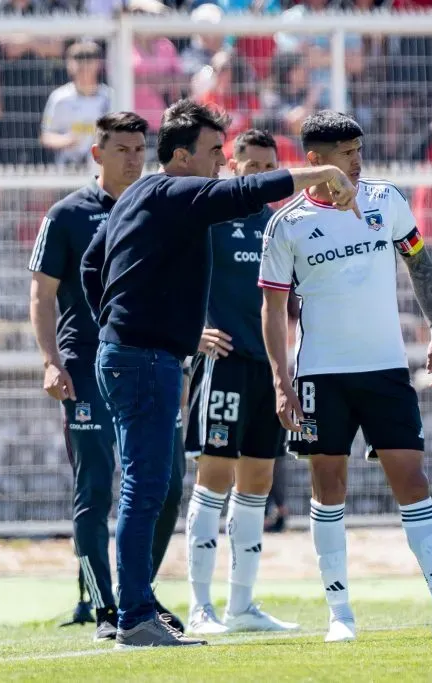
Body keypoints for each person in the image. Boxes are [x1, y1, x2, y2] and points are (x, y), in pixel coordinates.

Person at [79, 99, 359, 649]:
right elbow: (246, 192)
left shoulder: (138, 195)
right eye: (213, 151)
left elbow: (92, 261)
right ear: (181, 156)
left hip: (132, 355)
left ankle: (136, 603)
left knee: (150, 485)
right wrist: (319, 172)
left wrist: (112, 322)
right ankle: (133, 612)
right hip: (145, 359)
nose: (220, 162)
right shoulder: (176, 190)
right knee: (146, 487)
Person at [259, 110, 432, 643]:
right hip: (322, 375)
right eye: (346, 154)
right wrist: (280, 376)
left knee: (412, 481)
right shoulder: (287, 222)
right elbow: (272, 308)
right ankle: (340, 616)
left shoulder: (387, 200)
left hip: (387, 371)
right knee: (328, 487)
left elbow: (419, 263)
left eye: (359, 150)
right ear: (315, 161)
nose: (357, 161)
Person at [28, 112, 186, 641]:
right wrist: (51, 361)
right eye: (122, 149)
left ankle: (138, 591)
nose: (134, 158)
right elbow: (42, 295)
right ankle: (103, 609)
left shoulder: (155, 208)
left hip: (149, 363)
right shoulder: (67, 214)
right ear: (97, 154)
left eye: (141, 148)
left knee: (165, 486)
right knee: (96, 489)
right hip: (85, 367)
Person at [182, 129, 300, 635]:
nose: (259, 174)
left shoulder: (280, 225)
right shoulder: (209, 217)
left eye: (268, 166)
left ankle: (242, 606)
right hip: (223, 365)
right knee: (213, 481)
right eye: (250, 166)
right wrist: (192, 333)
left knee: (257, 485)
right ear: (232, 166)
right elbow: (171, 279)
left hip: (267, 368)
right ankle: (199, 607)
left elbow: (291, 304)